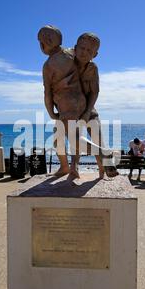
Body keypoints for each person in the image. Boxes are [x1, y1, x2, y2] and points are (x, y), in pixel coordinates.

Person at [38, 25, 86, 177]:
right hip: (81, 100)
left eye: (41, 42)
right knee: (74, 135)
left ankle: (68, 167)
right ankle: (73, 166)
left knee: (61, 139)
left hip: (66, 104)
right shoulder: (72, 52)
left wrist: (51, 112)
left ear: (45, 42)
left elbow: (47, 92)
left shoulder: (48, 65)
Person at [74, 32, 118, 179]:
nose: (84, 53)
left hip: (90, 111)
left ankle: (103, 171)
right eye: (82, 48)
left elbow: (94, 92)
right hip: (71, 111)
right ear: (75, 48)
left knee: (99, 140)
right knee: (75, 141)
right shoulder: (67, 64)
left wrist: (87, 112)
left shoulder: (93, 68)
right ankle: (73, 170)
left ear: (95, 54)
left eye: (89, 51)